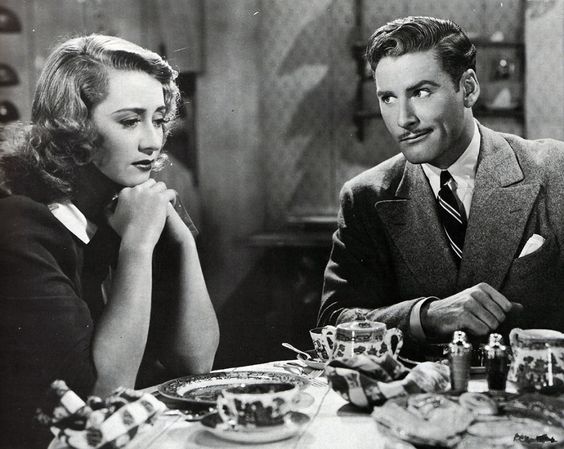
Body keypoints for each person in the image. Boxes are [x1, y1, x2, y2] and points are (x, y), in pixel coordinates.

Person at [0, 34, 219, 448]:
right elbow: (96, 408)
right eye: (130, 121)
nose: (153, 141)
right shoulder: (20, 227)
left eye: (159, 119)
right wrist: (137, 247)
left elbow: (195, 363)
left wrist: (182, 241)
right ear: (74, 129)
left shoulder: (130, 203)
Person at [318, 16, 564, 357]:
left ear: (468, 88)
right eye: (388, 98)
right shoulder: (365, 196)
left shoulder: (554, 169)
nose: (403, 119)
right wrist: (427, 316)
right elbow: (333, 323)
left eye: (420, 92)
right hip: (417, 390)